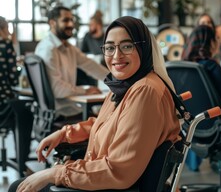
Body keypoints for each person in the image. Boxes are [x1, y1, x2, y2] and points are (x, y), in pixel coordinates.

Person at [9, 16, 181, 192]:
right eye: (109, 48)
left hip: (111, 185)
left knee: (17, 187)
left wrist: (55, 173)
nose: (117, 55)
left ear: (143, 47)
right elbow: (107, 125)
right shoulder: (125, 86)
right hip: (102, 180)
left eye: (127, 46)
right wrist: (64, 134)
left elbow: (118, 170)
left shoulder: (145, 91)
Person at [34, 6, 109, 120]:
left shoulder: (69, 48)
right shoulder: (48, 49)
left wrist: (115, 80)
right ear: (52, 23)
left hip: (70, 110)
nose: (71, 24)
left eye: (71, 20)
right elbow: (57, 89)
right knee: (106, 123)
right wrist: (85, 91)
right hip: (60, 115)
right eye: (65, 20)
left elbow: (90, 65)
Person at [0, 16, 33, 177]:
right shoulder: (5, 45)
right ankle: (22, 164)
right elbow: (14, 79)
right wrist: (13, 45)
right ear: (2, 29)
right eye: (7, 28)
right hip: (3, 106)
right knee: (25, 112)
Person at [182, 24, 221, 116]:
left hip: (192, 125)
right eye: (216, 38)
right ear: (211, 42)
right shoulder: (211, 66)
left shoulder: (183, 67)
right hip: (218, 123)